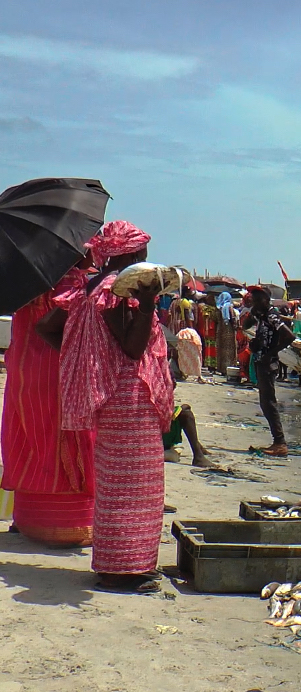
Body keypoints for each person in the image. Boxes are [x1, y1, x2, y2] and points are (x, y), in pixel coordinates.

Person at [58, 221, 174, 593]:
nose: (145, 259)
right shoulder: (116, 290)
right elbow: (132, 347)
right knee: (136, 485)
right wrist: (149, 303)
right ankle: (124, 569)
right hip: (128, 395)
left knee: (116, 483)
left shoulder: (94, 286)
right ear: (129, 255)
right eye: (141, 253)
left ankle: (119, 564)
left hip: (116, 395)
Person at [2, 263, 96, 548]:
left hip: (23, 365)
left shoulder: (22, 276)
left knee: (28, 437)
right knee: (65, 439)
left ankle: (27, 518)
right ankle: (71, 523)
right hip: (56, 366)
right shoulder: (71, 280)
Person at [242, 285, 294, 457]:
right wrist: (253, 311)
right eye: (253, 299)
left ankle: (280, 443)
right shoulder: (261, 314)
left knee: (269, 403)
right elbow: (245, 325)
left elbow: (289, 336)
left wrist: (270, 354)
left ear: (266, 299)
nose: (255, 302)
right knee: (265, 403)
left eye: (258, 299)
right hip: (261, 361)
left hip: (268, 363)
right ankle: (278, 441)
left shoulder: (272, 315)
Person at [215, 291, 238, 374]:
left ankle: (221, 368)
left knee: (221, 349)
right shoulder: (229, 307)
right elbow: (232, 318)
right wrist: (235, 325)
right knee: (229, 349)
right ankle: (229, 367)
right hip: (229, 331)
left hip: (220, 330)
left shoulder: (218, 308)